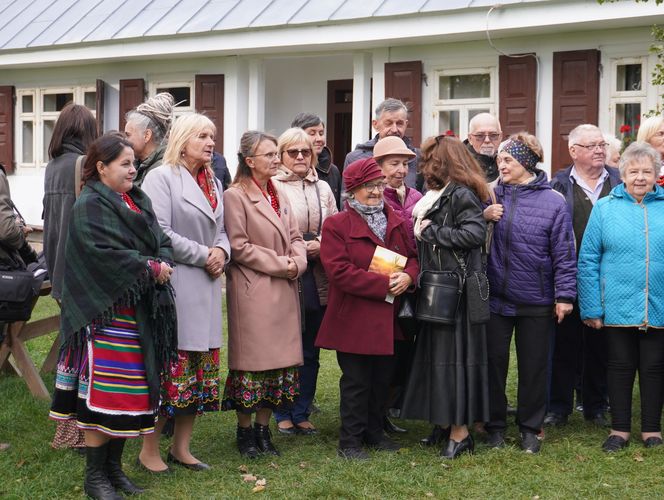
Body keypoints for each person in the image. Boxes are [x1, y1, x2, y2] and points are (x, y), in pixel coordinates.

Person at [48, 132, 177, 499]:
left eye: (134, 163)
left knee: (131, 394)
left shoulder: (137, 200)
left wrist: (162, 259)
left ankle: (114, 470)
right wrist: (150, 266)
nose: (133, 170)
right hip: (103, 313)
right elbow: (101, 254)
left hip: (137, 314)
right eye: (125, 164)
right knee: (104, 396)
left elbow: (160, 238)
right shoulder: (89, 205)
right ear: (101, 167)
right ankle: (95, 478)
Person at [140, 113, 230, 472]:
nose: (210, 142)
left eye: (212, 136)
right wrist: (204, 254)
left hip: (207, 287)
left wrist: (222, 252)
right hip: (177, 285)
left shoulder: (213, 182)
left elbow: (221, 229)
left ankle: (182, 447)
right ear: (183, 139)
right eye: (203, 136)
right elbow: (158, 232)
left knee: (198, 372)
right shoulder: (161, 178)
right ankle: (149, 449)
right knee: (171, 372)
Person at [316, 157, 419, 460]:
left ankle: (374, 434)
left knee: (382, 379)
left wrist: (409, 276)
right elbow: (338, 272)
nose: (375, 191)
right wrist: (383, 284)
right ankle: (349, 442)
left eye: (378, 184)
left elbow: (413, 257)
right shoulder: (337, 225)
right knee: (357, 382)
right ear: (352, 190)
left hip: (389, 317)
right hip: (354, 317)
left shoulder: (396, 219)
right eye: (367, 186)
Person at [483, 133, 577, 453]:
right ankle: (494, 426)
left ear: (526, 162)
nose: (501, 164)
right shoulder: (490, 195)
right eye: (499, 159)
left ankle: (530, 427)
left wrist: (564, 296)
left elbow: (564, 252)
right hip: (495, 297)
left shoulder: (553, 201)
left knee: (534, 367)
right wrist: (484, 216)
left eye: (508, 159)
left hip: (536, 299)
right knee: (493, 364)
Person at [400, 136, 489, 459]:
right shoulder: (436, 194)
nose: (424, 166)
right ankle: (444, 425)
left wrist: (430, 232)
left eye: (431, 160)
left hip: (457, 293)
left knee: (453, 363)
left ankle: (460, 432)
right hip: (439, 288)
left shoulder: (461, 194)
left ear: (444, 163)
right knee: (438, 362)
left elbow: (474, 234)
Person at [222, 130, 307, 458]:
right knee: (253, 367)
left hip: (284, 286)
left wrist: (297, 262)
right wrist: (283, 265)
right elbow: (239, 247)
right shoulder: (236, 196)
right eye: (269, 154)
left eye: (276, 154)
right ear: (249, 160)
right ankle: (245, 433)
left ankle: (263, 429)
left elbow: (296, 235)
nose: (276, 159)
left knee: (279, 367)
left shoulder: (279, 193)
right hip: (254, 290)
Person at [578, 142, 664, 452]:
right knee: (619, 366)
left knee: (655, 367)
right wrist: (590, 306)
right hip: (616, 302)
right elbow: (588, 258)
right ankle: (620, 430)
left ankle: (652, 430)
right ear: (622, 174)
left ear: (656, 174)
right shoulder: (605, 207)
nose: (640, 177)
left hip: (659, 302)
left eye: (647, 171)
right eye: (633, 171)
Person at [546, 124, 622, 428]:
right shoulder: (558, 185)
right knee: (563, 344)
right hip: (567, 276)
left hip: (610, 278)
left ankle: (595, 405)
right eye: (591, 146)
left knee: (601, 344)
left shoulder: (618, 182)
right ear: (574, 151)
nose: (599, 150)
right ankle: (558, 407)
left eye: (602, 145)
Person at [271, 127, 337, 436]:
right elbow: (269, 232)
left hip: (319, 275)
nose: (300, 157)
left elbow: (335, 227)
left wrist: (322, 245)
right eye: (293, 152)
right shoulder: (272, 186)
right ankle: (281, 411)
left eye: (306, 152)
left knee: (311, 347)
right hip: (287, 272)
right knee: (286, 346)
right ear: (281, 155)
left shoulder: (323, 188)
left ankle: (302, 409)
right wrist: (299, 250)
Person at [42, 103, 99, 452]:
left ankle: (67, 429)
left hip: (59, 270)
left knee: (71, 350)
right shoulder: (82, 166)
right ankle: (78, 429)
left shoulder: (52, 166)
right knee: (85, 353)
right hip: (81, 272)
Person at [372, 135, 421, 434]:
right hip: (384, 281)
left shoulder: (416, 197)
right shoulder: (373, 196)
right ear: (378, 167)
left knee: (404, 353)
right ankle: (374, 412)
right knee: (383, 351)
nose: (401, 170)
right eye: (394, 164)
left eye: (404, 164)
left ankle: (387, 409)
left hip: (413, 283)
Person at [344, 98, 422, 191]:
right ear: (375, 124)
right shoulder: (355, 158)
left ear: (406, 124)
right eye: (388, 123)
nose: (394, 129)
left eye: (399, 124)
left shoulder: (418, 157)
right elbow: (347, 198)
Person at [291, 113, 342, 209]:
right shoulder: (282, 170)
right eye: (312, 133)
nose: (319, 139)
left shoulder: (333, 171)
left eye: (321, 133)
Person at [124, 92, 174, 187]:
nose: (125, 140)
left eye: (128, 135)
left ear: (147, 135)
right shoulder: (138, 164)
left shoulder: (160, 171)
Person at [464, 113, 502, 182]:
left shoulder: (511, 160)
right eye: (480, 136)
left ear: (500, 137)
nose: (487, 140)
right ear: (470, 138)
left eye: (493, 135)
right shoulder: (459, 163)